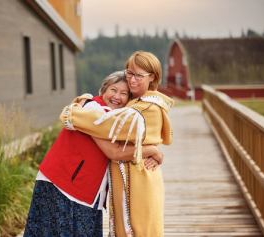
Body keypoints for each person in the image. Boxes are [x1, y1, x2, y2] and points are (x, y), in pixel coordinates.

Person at [23, 71, 163, 237]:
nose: (117, 96)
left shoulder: (113, 119)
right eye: (113, 90)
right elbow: (114, 152)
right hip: (61, 185)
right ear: (103, 90)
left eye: (124, 93)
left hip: (83, 190)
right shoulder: (93, 111)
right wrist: (153, 151)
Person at [60, 51, 174, 237]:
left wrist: (75, 111)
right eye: (129, 72)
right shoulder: (136, 102)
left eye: (139, 75)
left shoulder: (145, 108)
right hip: (132, 177)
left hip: (139, 179)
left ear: (152, 77)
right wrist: (153, 150)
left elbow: (106, 125)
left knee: (140, 230)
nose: (132, 80)